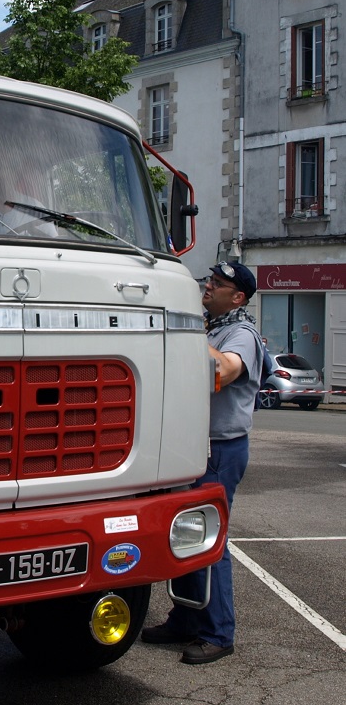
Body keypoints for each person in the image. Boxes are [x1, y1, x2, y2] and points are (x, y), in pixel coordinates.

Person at [141, 260, 264, 665]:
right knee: (184, 534)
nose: (207, 286)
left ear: (238, 296)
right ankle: (186, 620)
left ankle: (218, 633)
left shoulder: (240, 333)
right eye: (209, 280)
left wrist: (188, 330)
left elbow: (224, 370)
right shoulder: (212, 328)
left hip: (220, 449)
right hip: (191, 445)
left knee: (210, 539)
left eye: (218, 283)